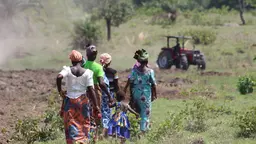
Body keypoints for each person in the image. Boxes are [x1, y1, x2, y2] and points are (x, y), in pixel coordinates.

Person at [56, 50, 100, 144]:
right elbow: (91, 90)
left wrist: (60, 91)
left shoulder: (67, 70)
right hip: (82, 101)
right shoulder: (88, 72)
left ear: (71, 60)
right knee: (84, 124)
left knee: (70, 124)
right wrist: (96, 106)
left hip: (69, 102)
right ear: (81, 60)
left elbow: (59, 77)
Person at [82, 44, 113, 138]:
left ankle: (87, 134)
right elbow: (102, 84)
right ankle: (96, 136)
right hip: (95, 92)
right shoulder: (98, 67)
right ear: (95, 56)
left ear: (86, 55)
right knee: (96, 112)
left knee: (87, 112)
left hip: (84, 92)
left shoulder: (83, 66)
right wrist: (109, 95)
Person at [129, 49, 157, 134]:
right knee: (145, 113)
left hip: (135, 94)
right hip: (145, 95)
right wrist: (154, 95)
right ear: (147, 61)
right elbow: (153, 84)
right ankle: (143, 131)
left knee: (137, 111)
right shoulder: (150, 71)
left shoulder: (134, 71)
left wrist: (131, 96)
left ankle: (135, 129)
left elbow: (131, 83)